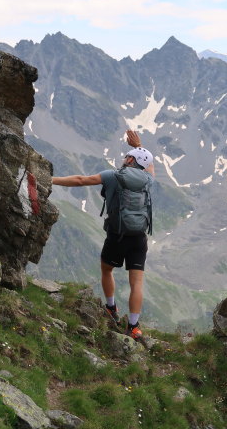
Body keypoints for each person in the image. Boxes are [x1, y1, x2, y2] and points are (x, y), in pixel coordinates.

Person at [51, 130, 154, 340]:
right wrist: (139, 146)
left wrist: (51, 179)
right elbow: (150, 165)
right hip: (139, 237)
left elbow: (81, 180)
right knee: (137, 283)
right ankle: (134, 326)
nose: (124, 158)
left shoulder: (113, 176)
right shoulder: (148, 179)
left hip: (117, 235)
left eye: (128, 155)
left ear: (131, 159)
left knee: (107, 269)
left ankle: (111, 308)